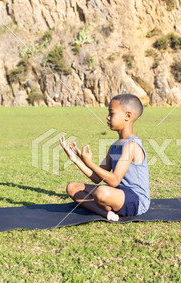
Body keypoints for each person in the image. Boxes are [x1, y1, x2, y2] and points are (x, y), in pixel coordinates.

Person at [59, 94, 150, 222]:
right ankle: (105, 213)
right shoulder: (114, 146)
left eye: (111, 113)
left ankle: (107, 207)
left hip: (136, 200)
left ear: (127, 116)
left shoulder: (131, 145)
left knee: (102, 192)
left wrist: (90, 163)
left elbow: (114, 181)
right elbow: (97, 178)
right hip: (118, 193)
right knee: (72, 188)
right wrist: (75, 159)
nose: (108, 117)